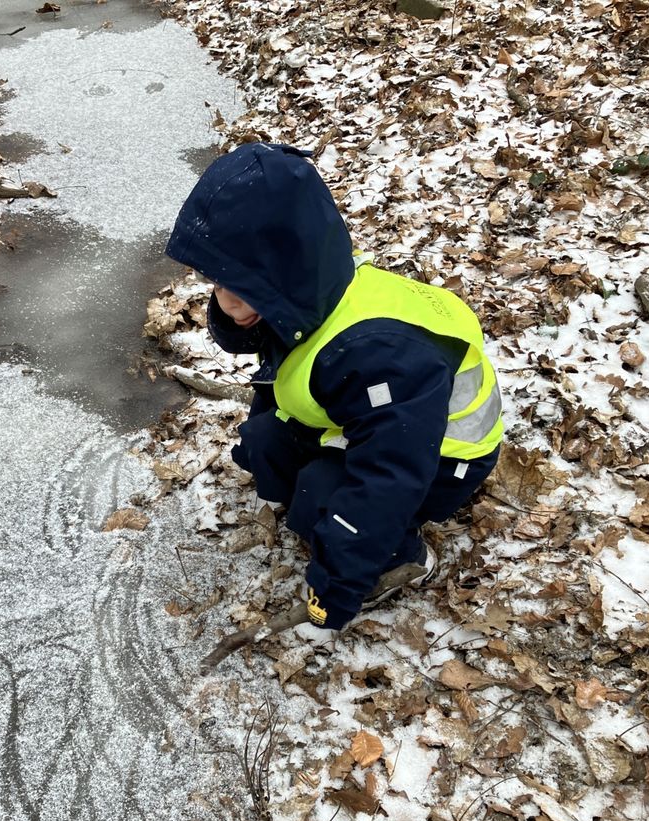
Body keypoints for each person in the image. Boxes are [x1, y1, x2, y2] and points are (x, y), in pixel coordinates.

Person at [165, 143, 503, 633]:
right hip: (372, 421)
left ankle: (400, 559)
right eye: (218, 284)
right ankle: (320, 512)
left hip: (444, 458)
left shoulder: (376, 355)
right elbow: (278, 379)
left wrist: (340, 581)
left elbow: (389, 478)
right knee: (265, 440)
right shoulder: (305, 298)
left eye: (245, 288)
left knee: (322, 492)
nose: (229, 302)